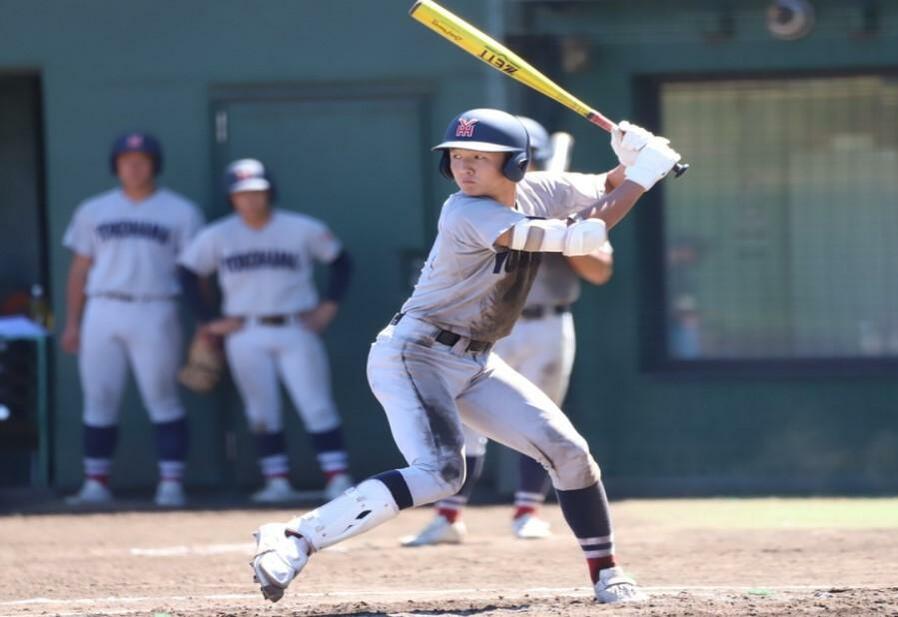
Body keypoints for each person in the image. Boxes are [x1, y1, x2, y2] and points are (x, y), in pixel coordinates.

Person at [249, 109, 680, 604]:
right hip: (416, 353)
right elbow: (581, 237)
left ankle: (606, 573)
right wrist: (644, 179)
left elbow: (605, 184)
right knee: (440, 472)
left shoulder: (539, 189)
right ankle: (294, 538)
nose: (465, 167)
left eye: (479, 157)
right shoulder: (467, 212)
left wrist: (635, 159)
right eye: (457, 156)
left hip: (475, 360)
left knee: (571, 455)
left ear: (516, 164)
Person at [400, 116, 614, 546]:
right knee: (468, 423)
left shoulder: (558, 200)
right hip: (487, 328)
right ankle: (449, 516)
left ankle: (527, 511)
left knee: (542, 418)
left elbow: (601, 270)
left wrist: (567, 233)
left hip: (548, 320)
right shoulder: (477, 209)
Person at [177, 159, 354, 503]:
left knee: (316, 404)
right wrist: (209, 320)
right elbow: (186, 272)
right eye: (242, 194)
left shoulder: (300, 228)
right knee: (260, 410)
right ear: (232, 197)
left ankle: (338, 477)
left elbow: (341, 262)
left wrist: (328, 307)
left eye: (257, 192)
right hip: (245, 330)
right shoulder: (218, 234)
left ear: (268, 192)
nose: (251, 200)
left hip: (295, 325)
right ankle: (276, 480)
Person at [61, 132, 203, 507]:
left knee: (162, 397)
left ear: (155, 164)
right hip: (103, 307)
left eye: (142, 159)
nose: (135, 166)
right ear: (116, 165)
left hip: (155, 307)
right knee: (99, 397)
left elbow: (196, 272)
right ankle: (95, 482)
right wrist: (73, 323)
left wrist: (205, 323)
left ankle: (171, 483)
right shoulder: (93, 209)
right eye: (126, 160)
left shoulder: (180, 211)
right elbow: (79, 270)